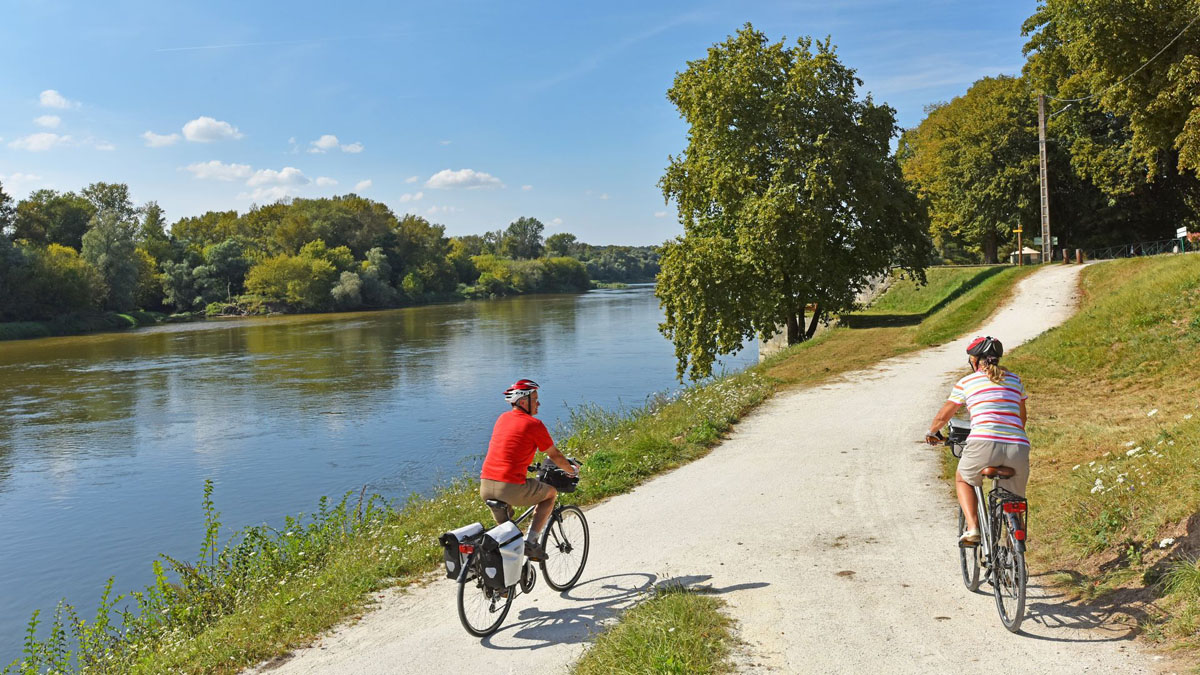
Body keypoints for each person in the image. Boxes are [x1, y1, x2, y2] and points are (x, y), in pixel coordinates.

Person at [925, 336, 1030, 546]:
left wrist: (932, 432)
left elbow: (944, 416)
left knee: (963, 478)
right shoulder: (1014, 380)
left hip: (983, 442)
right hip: (1018, 445)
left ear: (974, 361)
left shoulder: (967, 382)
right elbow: (1022, 418)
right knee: (1015, 499)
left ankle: (973, 529)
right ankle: (1015, 557)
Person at [479, 379, 577, 561]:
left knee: (508, 539)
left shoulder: (502, 419)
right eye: (535, 398)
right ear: (523, 402)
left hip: (485, 486)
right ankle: (531, 543)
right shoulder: (533, 424)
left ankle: (503, 587)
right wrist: (570, 470)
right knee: (550, 494)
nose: (539, 403)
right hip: (509, 488)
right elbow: (554, 454)